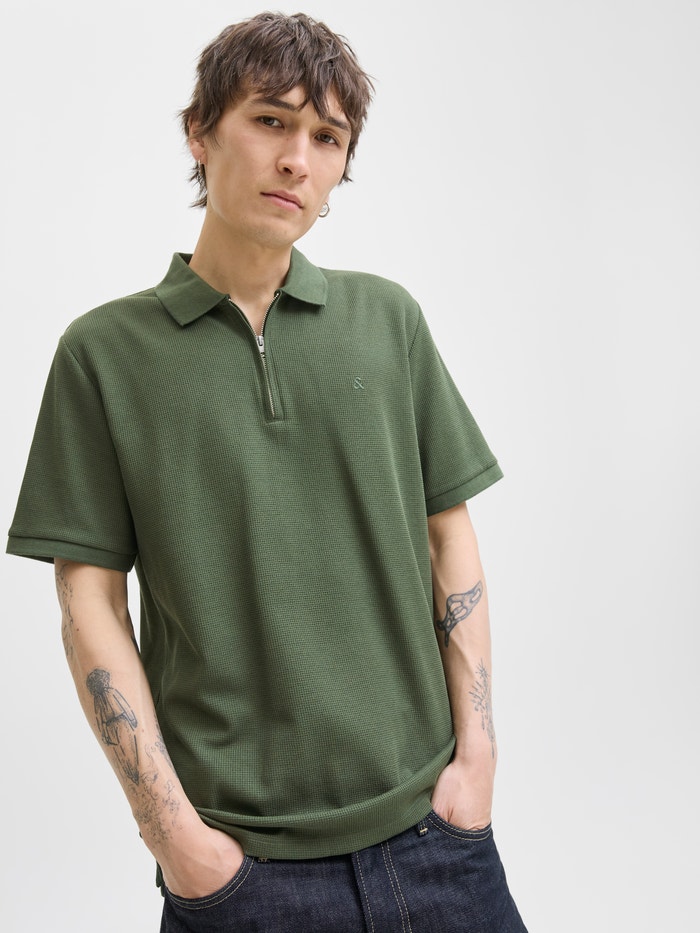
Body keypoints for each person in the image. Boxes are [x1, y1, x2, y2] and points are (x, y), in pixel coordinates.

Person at [7, 12, 527, 932]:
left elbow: (450, 536)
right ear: (200, 133)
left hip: (436, 838)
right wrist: (174, 836)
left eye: (328, 138)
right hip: (240, 873)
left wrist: (477, 759)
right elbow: (89, 603)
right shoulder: (103, 354)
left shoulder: (388, 321)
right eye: (271, 120)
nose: (297, 159)